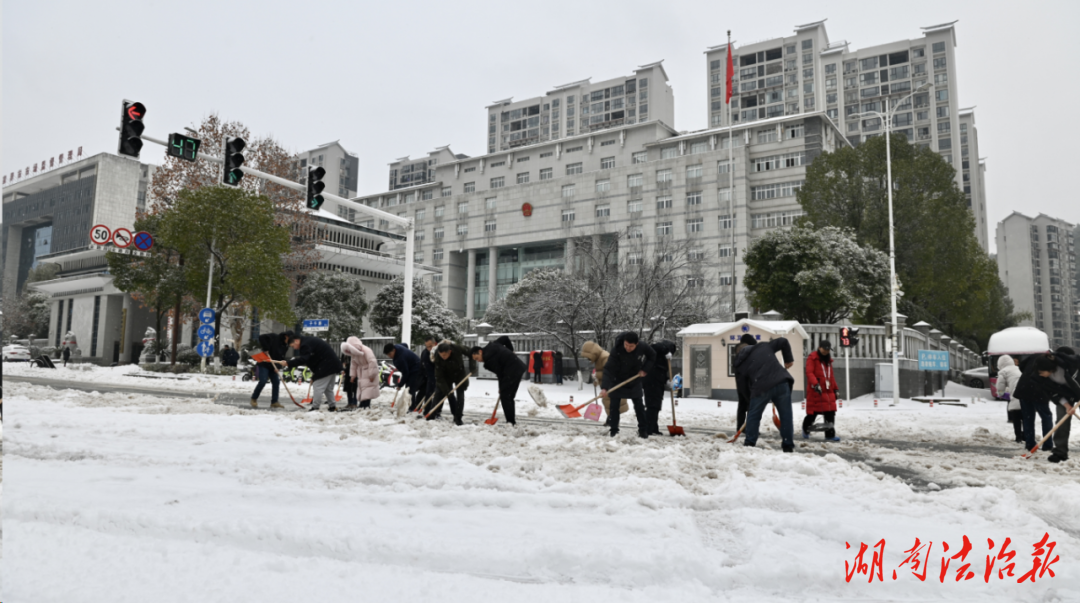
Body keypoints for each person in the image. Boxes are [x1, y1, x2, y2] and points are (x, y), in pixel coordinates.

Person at [733, 333, 796, 452]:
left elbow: (743, 387)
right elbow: (783, 341)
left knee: (754, 416)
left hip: (761, 387)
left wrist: (750, 403)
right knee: (786, 416)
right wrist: (788, 359)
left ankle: (749, 443)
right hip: (781, 382)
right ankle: (788, 445)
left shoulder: (740, 364)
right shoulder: (764, 347)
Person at [601, 331, 656, 438]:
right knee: (614, 406)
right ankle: (614, 431)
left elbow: (652, 355)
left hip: (634, 380)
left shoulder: (643, 346)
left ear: (637, 344)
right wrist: (604, 387)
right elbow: (608, 369)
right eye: (626, 345)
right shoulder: (616, 349)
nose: (628, 348)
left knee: (639, 406)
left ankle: (643, 431)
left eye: (631, 346)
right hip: (617, 380)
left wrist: (645, 370)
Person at [280, 332, 343, 412]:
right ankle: (332, 406)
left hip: (326, 365)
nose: (295, 348)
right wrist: (314, 376)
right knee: (327, 388)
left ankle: (315, 408)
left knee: (317, 386)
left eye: (293, 346)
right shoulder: (308, 341)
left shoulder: (305, 345)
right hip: (332, 364)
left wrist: (288, 363)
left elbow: (304, 359)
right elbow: (312, 360)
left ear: (296, 341)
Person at [470, 340, 526, 425]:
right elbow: (505, 338)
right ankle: (511, 421)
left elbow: (500, 374)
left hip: (511, 371)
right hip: (518, 366)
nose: (478, 361)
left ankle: (510, 422)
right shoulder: (492, 345)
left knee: (505, 397)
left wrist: (501, 388)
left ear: (480, 351)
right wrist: (511, 352)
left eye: (477, 358)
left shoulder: (489, 361)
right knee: (509, 396)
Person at [581, 340, 627, 426]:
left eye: (588, 357)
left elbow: (611, 372)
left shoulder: (604, 357)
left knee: (611, 403)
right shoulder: (599, 358)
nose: (588, 359)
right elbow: (602, 372)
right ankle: (610, 420)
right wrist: (597, 380)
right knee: (608, 403)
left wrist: (597, 375)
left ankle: (612, 422)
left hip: (612, 385)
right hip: (607, 385)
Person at [1046, 347, 1080, 462]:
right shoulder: (1048, 370)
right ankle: (1060, 452)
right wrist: (1066, 405)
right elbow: (1052, 391)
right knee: (1062, 421)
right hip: (1065, 395)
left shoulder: (1076, 366)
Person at [803, 340, 840, 442]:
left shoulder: (829, 361)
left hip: (828, 391)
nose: (826, 351)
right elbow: (809, 373)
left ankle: (830, 435)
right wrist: (816, 384)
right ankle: (805, 430)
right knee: (812, 413)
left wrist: (835, 388)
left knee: (830, 413)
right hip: (816, 390)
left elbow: (831, 376)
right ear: (819, 347)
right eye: (824, 349)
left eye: (828, 349)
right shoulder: (812, 358)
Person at [432, 340, 475, 424]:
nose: (443, 357)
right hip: (446, 375)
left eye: (445, 355)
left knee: (460, 396)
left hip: (459, 374)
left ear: (450, 351)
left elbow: (471, 352)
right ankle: (432, 414)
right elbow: (439, 377)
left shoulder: (457, 348)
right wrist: (446, 390)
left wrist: (472, 367)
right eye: (441, 355)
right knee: (438, 392)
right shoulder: (437, 357)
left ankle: (458, 417)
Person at [643, 340, 677, 437]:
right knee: (652, 406)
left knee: (656, 406)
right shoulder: (658, 350)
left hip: (657, 383)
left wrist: (666, 381)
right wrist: (667, 351)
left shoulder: (662, 359)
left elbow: (661, 372)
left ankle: (653, 428)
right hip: (650, 381)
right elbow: (653, 346)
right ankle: (646, 428)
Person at [342, 337, 380, 410]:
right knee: (362, 389)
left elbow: (373, 362)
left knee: (368, 390)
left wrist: (372, 374)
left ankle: (366, 406)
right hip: (361, 373)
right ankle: (363, 405)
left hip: (369, 372)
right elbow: (353, 365)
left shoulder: (367, 350)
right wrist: (353, 376)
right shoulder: (354, 353)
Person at [251, 331, 287, 409]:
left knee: (276, 382)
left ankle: (274, 402)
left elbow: (282, 358)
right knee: (263, 381)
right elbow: (261, 337)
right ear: (286, 336)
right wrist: (266, 348)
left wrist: (278, 367)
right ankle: (254, 398)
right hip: (264, 363)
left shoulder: (285, 346)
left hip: (273, 366)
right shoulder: (274, 336)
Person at [385, 342, 423, 411]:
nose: (389, 356)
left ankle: (412, 408)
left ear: (394, 350)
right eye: (387, 355)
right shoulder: (397, 346)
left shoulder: (400, 358)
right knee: (409, 387)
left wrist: (400, 385)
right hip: (413, 365)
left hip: (416, 368)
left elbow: (406, 373)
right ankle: (412, 406)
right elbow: (405, 344)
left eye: (390, 354)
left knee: (409, 389)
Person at [996, 354, 1024, 443]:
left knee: (1016, 418)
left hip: (1016, 395)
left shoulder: (1004, 371)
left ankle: (1018, 437)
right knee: (1026, 418)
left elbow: (1000, 384)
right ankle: (1027, 435)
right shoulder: (1018, 368)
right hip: (1026, 395)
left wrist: (1000, 394)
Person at [732, 342, 751, 433]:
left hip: (743, 386)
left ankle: (741, 427)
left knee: (743, 407)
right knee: (750, 406)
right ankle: (747, 427)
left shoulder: (739, 360)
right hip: (744, 387)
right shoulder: (740, 361)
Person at [420, 336, 439, 409]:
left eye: (430, 346)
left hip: (441, 375)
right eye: (427, 346)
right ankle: (427, 410)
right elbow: (429, 371)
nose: (429, 349)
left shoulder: (440, 350)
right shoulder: (425, 354)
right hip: (429, 375)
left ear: (435, 344)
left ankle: (436, 411)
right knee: (429, 392)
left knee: (441, 394)